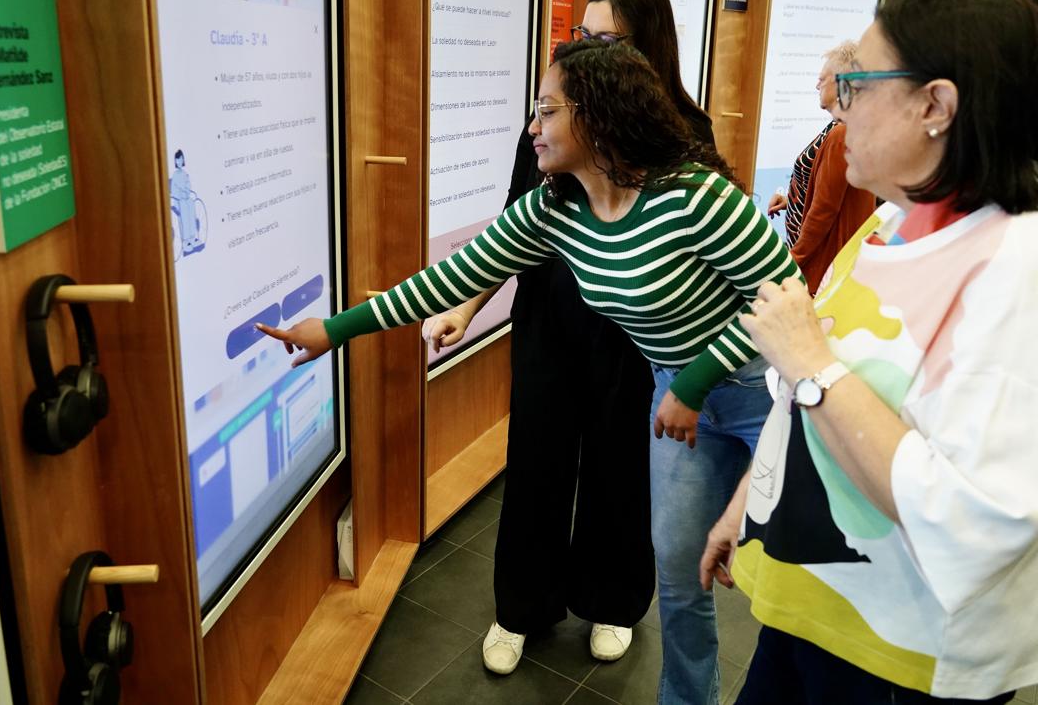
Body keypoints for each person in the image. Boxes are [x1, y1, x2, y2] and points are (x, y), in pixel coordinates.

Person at [260, 40, 802, 705]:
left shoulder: (692, 197)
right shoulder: (555, 209)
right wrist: (334, 330)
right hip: (677, 397)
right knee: (683, 575)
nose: (532, 127)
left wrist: (692, 384)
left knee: (795, 579)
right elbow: (454, 276)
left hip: (761, 392)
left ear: (597, 118)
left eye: (547, 111)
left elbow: (787, 295)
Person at [699, 0, 1038, 704]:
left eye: (856, 85)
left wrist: (811, 361)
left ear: (935, 106)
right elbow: (808, 409)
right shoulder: (887, 224)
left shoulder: (1015, 272)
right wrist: (747, 507)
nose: (839, 109)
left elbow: (977, 518)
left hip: (898, 661)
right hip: (813, 613)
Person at [420, 0, 716, 677]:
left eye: (606, 39)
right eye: (581, 36)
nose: (587, 51)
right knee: (536, 462)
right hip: (550, 317)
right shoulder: (552, 117)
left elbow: (708, 256)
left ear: (648, 47)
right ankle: (520, 608)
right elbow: (512, 230)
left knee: (621, 464)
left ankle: (612, 601)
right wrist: (465, 303)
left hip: (634, 329)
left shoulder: (684, 131)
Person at [767, 43, 876, 292]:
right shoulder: (841, 127)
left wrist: (793, 259)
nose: (817, 86)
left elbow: (824, 210)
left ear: (841, 84)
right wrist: (792, 201)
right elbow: (828, 190)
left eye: (821, 79)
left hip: (822, 265)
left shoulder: (842, 133)